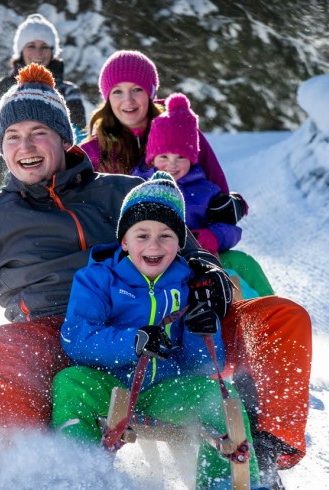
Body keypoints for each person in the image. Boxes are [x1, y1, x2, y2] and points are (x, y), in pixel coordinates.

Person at [0, 64, 310, 490]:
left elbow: (190, 250)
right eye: (12, 136)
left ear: (64, 138)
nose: (25, 145)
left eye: (38, 132)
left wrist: (208, 277)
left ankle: (264, 450)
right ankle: (21, 472)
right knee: (1, 347)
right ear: (0, 149)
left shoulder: (118, 193)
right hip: (58, 332)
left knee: (280, 317)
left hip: (165, 316)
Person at [51, 171, 260, 488]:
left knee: (218, 397)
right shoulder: (96, 279)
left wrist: (200, 330)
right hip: (108, 383)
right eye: (142, 235)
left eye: (165, 235)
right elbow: (77, 339)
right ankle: (78, 475)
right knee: (69, 383)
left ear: (179, 243)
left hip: (165, 389)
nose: (154, 244)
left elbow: (202, 367)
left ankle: (226, 484)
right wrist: (132, 342)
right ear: (124, 240)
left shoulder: (190, 285)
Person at [80, 49, 247, 227]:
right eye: (117, 92)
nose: (128, 100)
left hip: (192, 237)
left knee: (238, 257)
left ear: (151, 93)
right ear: (107, 98)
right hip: (125, 245)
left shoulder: (178, 129)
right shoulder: (94, 151)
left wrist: (229, 208)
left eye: (137, 90)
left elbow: (218, 191)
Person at [0, 13, 87, 213]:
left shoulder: (68, 92)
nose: (38, 52)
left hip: (54, 162)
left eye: (44, 46)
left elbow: (78, 133)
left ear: (53, 51)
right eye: (31, 46)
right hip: (5, 160)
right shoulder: (3, 88)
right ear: (21, 50)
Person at [134, 91, 244, 256]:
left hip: (196, 257)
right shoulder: (138, 186)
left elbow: (230, 229)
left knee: (244, 262)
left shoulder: (205, 191)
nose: (172, 164)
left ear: (192, 159)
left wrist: (213, 236)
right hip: (151, 258)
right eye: (164, 156)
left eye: (180, 157)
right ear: (151, 159)